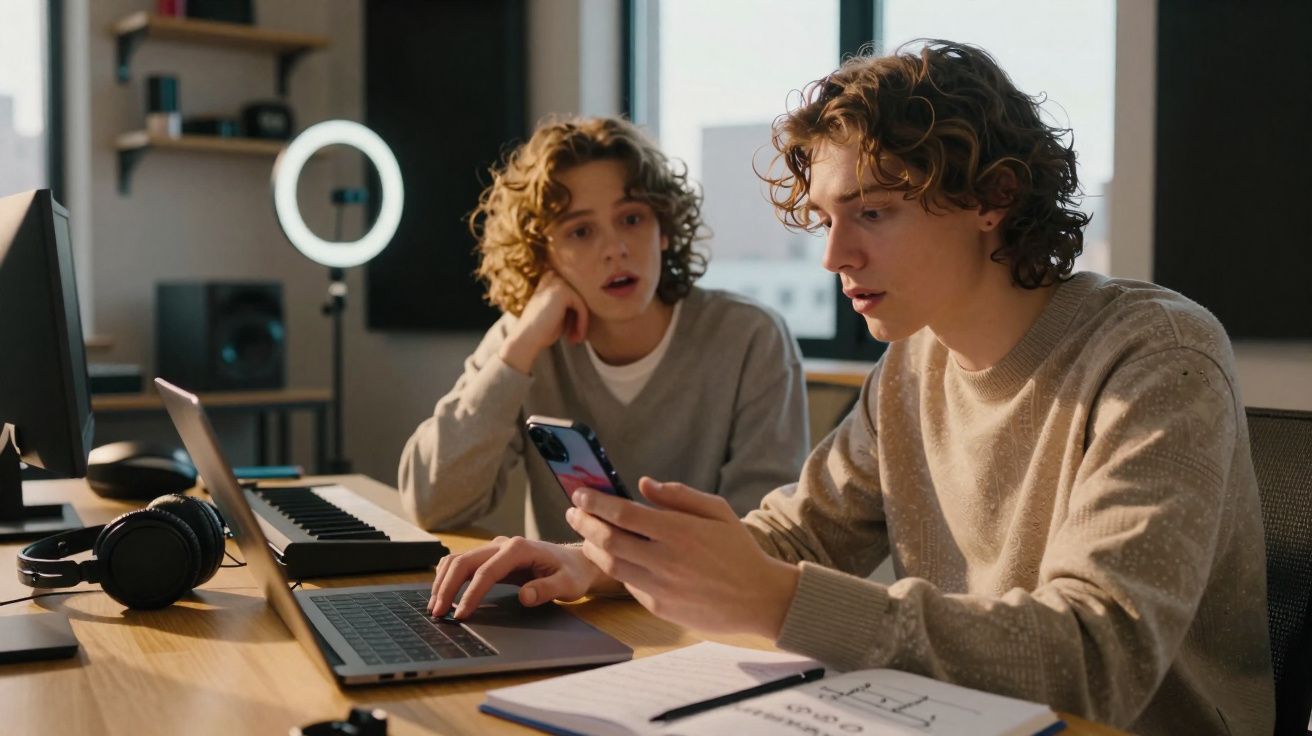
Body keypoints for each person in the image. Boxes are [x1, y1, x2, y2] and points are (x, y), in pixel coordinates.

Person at [426, 42, 1274, 735]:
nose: (835, 256)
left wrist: (779, 598)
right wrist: (597, 562)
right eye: (828, 219)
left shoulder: (1157, 355)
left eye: (873, 212)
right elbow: (798, 534)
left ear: (993, 196)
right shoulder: (912, 363)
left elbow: (1098, 658)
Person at [398, 116, 809, 542]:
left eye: (632, 219)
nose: (615, 249)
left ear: (663, 228)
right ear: (544, 256)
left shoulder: (751, 338)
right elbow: (432, 503)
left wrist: (604, 568)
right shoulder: (522, 340)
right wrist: (519, 350)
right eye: (580, 231)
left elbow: (761, 539)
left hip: (697, 588)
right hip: (559, 586)